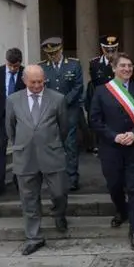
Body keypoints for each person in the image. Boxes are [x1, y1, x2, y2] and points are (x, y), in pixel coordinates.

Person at [89, 52, 134, 251]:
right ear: (114, 68)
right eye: (123, 66)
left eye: (129, 66)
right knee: (114, 185)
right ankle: (121, 210)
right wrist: (114, 136)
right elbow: (94, 120)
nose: (127, 69)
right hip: (111, 148)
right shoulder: (101, 91)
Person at [5, 65, 69, 255]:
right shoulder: (13, 100)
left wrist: (50, 142)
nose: (37, 85)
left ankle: (59, 213)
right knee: (29, 199)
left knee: (59, 192)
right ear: (24, 81)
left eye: (40, 81)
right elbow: (10, 128)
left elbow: (63, 127)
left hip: (52, 153)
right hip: (25, 156)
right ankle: (34, 237)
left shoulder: (58, 99)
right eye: (33, 82)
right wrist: (23, 144)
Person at [40, 37, 84, 190]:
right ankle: (55, 177)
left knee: (70, 144)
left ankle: (72, 178)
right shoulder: (42, 67)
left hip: (69, 110)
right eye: (49, 54)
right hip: (50, 111)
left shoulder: (73, 64)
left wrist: (64, 101)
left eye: (55, 53)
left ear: (61, 50)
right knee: (52, 144)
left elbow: (78, 86)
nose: (52, 56)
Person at [0, 48, 25, 196]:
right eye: (11, 66)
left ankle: (19, 182)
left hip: (21, 117)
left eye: (16, 66)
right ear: (6, 61)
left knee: (20, 149)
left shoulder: (25, 73)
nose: (14, 69)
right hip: (1, 117)